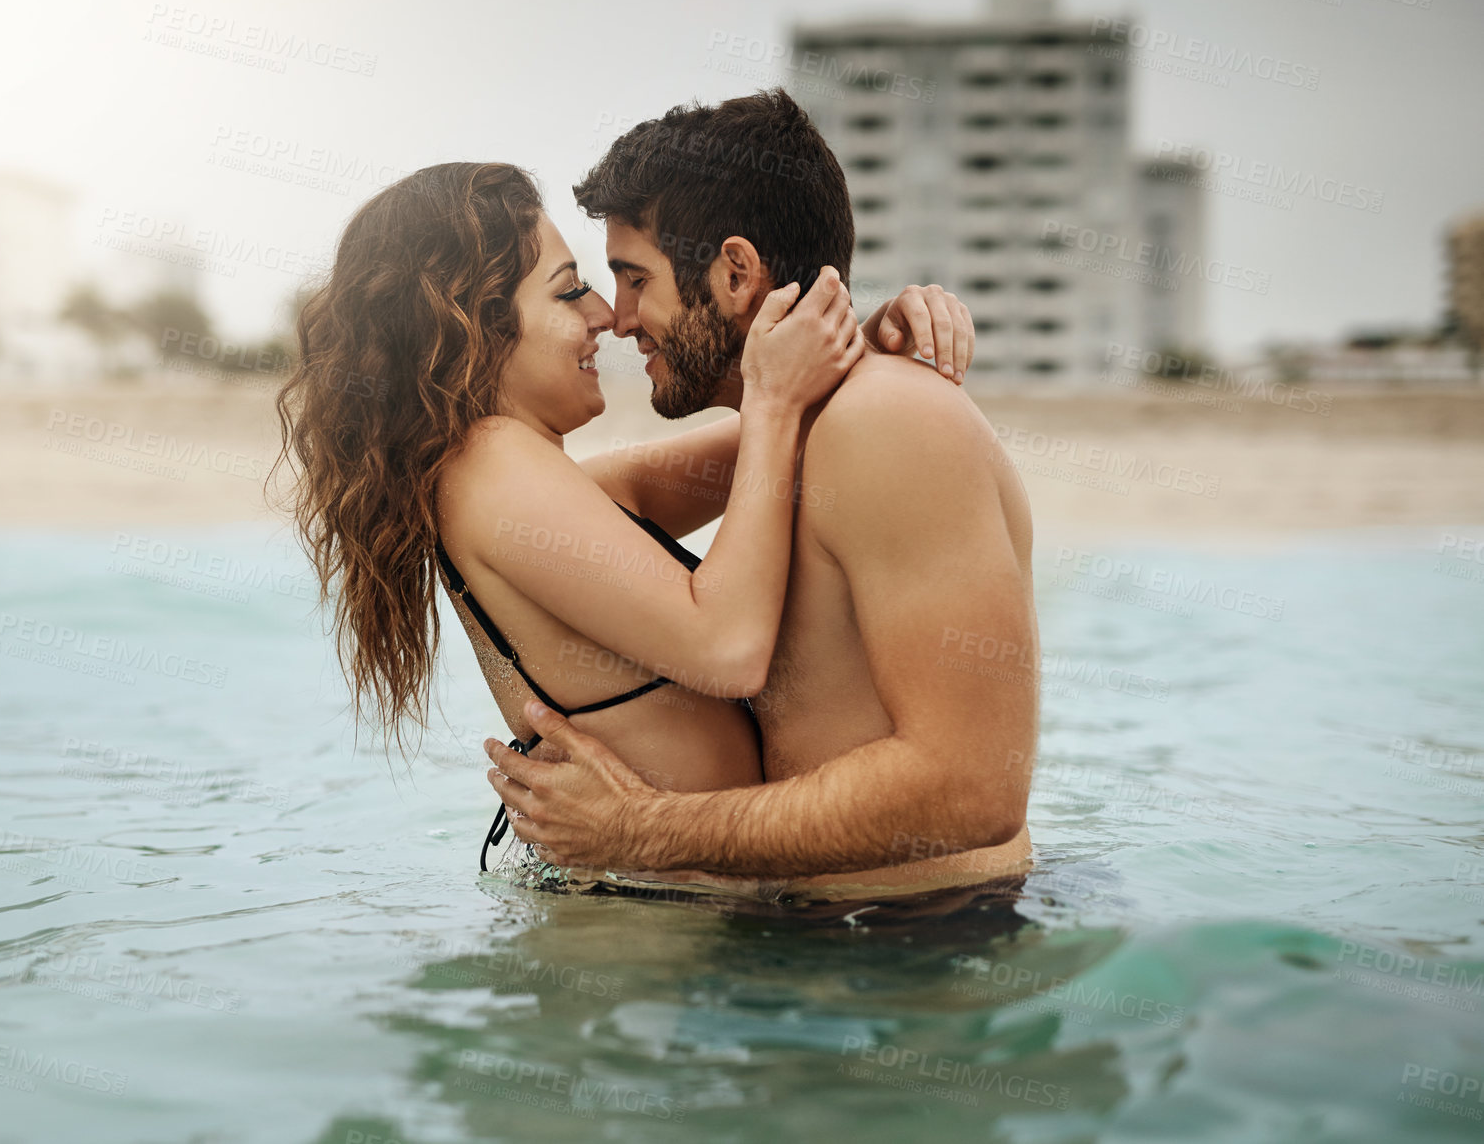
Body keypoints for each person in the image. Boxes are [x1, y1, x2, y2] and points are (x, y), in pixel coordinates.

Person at [276, 156, 975, 873]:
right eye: (568, 291)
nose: (604, 316)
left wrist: (857, 347)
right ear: (473, 327)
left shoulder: (525, 485)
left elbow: (780, 448)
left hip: (659, 928)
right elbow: (729, 645)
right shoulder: (488, 463)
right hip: (650, 938)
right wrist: (770, 396)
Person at [484, 90, 1038, 899]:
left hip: (929, 950)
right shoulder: (789, 433)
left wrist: (637, 828)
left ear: (735, 272)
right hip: (819, 954)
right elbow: (569, 511)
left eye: (636, 278)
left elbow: (973, 788)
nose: (621, 319)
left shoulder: (888, 423)